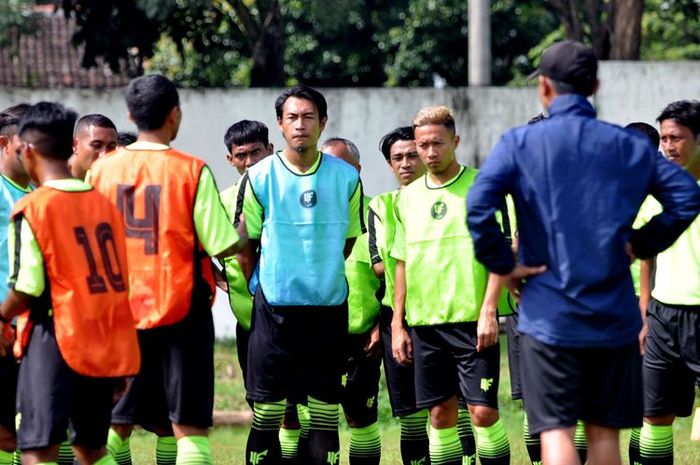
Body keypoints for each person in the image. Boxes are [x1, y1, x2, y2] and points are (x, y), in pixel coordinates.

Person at [466, 40, 700, 465]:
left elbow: (479, 206)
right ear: (594, 85)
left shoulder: (520, 144)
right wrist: (639, 243)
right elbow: (685, 194)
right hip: (612, 314)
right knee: (604, 438)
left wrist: (505, 265)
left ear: (543, 88)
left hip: (547, 314)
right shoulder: (625, 145)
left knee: (557, 436)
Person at [88, 74, 248, 465]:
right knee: (189, 428)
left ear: (130, 114)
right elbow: (222, 242)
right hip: (181, 309)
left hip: (119, 312)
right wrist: (243, 233)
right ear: (175, 115)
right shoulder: (191, 170)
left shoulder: (101, 171)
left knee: (114, 424)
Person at [0, 101, 140, 465]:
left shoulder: (33, 208)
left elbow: (27, 287)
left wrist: (2, 318)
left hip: (54, 339)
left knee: (37, 449)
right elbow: (121, 283)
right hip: (104, 340)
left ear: (28, 151)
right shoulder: (105, 204)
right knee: (91, 450)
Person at [239, 84, 364, 465]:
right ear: (279, 124)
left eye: (309, 116)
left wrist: (319, 273)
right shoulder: (260, 176)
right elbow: (247, 245)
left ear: (323, 123)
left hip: (328, 308)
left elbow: (347, 240)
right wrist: (262, 285)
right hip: (274, 310)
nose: (300, 124)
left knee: (325, 414)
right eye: (292, 117)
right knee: (268, 414)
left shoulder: (346, 177)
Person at [391, 106, 511, 465]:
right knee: (440, 416)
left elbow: (499, 254)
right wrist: (398, 323)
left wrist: (489, 310)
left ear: (455, 141)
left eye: (437, 144)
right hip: (426, 326)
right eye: (422, 145)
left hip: (472, 323)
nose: (429, 153)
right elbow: (402, 262)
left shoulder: (482, 187)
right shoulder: (407, 198)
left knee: (482, 413)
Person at [635, 100, 700, 465]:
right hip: (663, 316)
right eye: (663, 138)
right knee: (654, 416)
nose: (668, 146)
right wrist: (645, 309)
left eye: (677, 137)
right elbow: (648, 255)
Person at [367, 126, 435, 465]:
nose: (406, 163)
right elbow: (379, 266)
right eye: (398, 158)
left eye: (412, 155)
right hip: (399, 317)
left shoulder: (447, 199)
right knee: (410, 415)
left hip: (441, 314)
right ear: (390, 165)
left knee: (452, 411)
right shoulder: (381, 205)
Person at [321, 137, 383, 465]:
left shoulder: (377, 213)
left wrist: (380, 325)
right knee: (319, 418)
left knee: (361, 420)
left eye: (342, 166)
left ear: (357, 170)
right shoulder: (309, 214)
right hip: (317, 335)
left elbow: (395, 276)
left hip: (363, 338)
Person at [0, 104, 31, 465]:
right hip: (5, 326)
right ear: (5, 144)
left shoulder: (47, 190)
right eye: (28, 142)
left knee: (51, 425)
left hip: (39, 327)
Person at [69, 114, 117, 179]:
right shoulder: (53, 182)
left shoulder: (113, 180)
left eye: (111, 147)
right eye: (97, 146)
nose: (104, 154)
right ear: (75, 145)